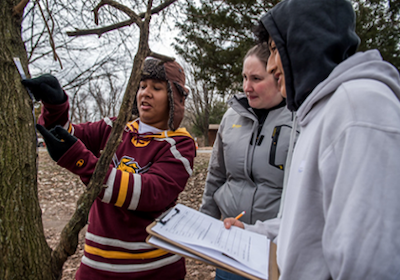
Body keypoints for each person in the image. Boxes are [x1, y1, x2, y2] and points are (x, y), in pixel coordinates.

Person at [224, 0, 400, 279]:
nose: (270, 66)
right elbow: (307, 223)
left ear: (305, 40)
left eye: (273, 50)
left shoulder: (359, 107)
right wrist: (256, 232)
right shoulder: (320, 114)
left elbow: (372, 262)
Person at [22, 58, 196, 280]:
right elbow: (66, 135)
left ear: (175, 97)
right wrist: (55, 105)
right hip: (95, 267)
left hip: (154, 268)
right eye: (142, 86)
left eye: (157, 87)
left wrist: (81, 162)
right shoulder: (114, 128)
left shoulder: (179, 144)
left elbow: (150, 193)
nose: (146, 93)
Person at [200, 43, 295, 280]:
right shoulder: (231, 116)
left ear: (278, 75)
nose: (246, 87)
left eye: (256, 78)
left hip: (277, 248)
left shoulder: (299, 119)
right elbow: (216, 175)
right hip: (232, 241)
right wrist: (203, 227)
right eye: (244, 77)